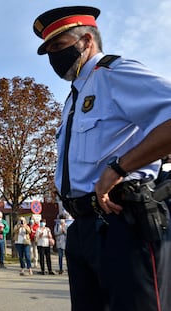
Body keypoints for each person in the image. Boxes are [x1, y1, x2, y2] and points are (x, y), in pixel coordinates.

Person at [33, 6, 171, 310]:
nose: (54, 56)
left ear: (86, 40)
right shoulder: (73, 97)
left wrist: (120, 167)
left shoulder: (114, 73)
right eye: (49, 50)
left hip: (122, 223)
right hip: (83, 228)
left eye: (59, 46)